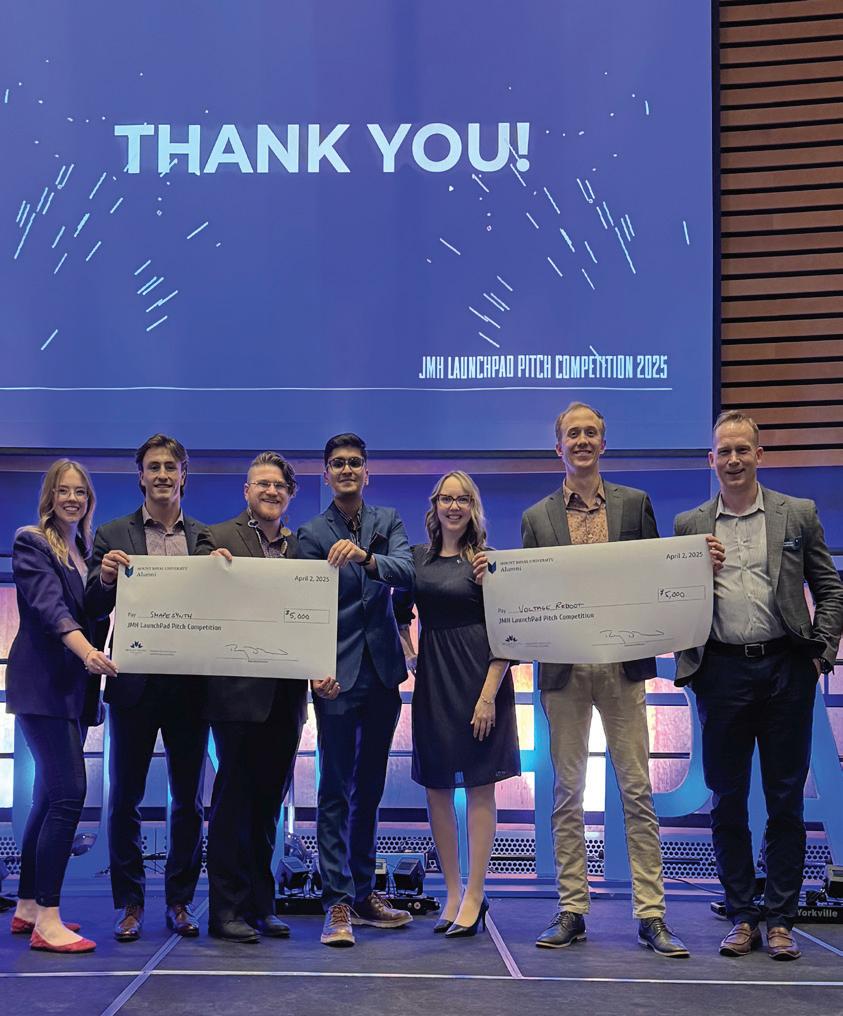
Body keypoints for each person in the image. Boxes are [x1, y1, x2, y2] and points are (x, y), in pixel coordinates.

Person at [520, 402, 688, 957]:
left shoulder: (635, 505)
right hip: (564, 671)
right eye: (573, 433)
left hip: (623, 669)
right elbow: (530, 595)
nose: (582, 441)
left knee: (636, 790)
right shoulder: (537, 518)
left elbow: (657, 577)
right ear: (559, 447)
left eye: (591, 432)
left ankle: (652, 915)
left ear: (603, 443)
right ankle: (572, 909)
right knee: (567, 792)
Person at [674, 410, 843, 961]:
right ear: (711, 460)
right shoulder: (689, 525)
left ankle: (782, 919)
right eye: (724, 451)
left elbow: (830, 589)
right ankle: (742, 915)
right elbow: (673, 601)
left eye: (742, 449)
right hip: (721, 674)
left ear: (759, 455)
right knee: (727, 801)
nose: (734, 459)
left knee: (785, 799)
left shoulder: (798, 514)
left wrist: (820, 654)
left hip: (787, 670)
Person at [86, 434, 208, 942]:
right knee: (124, 800)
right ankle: (131, 904)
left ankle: (180, 901)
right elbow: (91, 605)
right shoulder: (112, 534)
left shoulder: (205, 538)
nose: (162, 474)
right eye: (153, 466)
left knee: (189, 802)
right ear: (141, 476)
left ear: (183, 475)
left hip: (191, 688)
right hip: (132, 684)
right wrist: (105, 579)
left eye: (170, 467)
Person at [297, 433, 415, 947]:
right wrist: (312, 668)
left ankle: (365, 893)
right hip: (335, 676)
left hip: (383, 673)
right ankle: (337, 902)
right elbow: (301, 607)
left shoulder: (388, 521)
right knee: (334, 789)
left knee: (369, 788)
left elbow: (407, 571)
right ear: (326, 474)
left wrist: (368, 559)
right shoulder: (310, 533)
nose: (347, 470)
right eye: (338, 463)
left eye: (355, 463)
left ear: (367, 472)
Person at [394, 471, 519, 937]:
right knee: (437, 787)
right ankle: (451, 891)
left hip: (481, 681)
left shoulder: (485, 561)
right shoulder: (416, 559)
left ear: (473, 507)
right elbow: (398, 612)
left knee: (481, 786)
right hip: (435, 681)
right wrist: (411, 655)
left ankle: (476, 893)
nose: (453, 506)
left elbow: (507, 633)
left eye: (462, 498)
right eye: (446, 498)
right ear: (435, 505)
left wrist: (488, 697)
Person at [6, 460, 117, 953]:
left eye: (80, 492)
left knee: (50, 798)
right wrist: (88, 652)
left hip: (71, 691)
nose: (72, 499)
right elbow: (51, 610)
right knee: (71, 792)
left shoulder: (85, 552)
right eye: (63, 491)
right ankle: (49, 920)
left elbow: (92, 609)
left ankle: (29, 905)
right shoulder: (32, 541)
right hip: (42, 686)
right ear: (49, 496)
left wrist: (109, 581)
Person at [196, 451, 307, 943]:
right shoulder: (216, 538)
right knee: (232, 804)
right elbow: (200, 597)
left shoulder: (302, 548)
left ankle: (262, 905)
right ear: (246, 491)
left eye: (279, 485)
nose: (271, 491)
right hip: (236, 696)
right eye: (262, 483)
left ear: (290, 494)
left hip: (287, 695)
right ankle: (225, 910)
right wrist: (207, 570)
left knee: (268, 806)